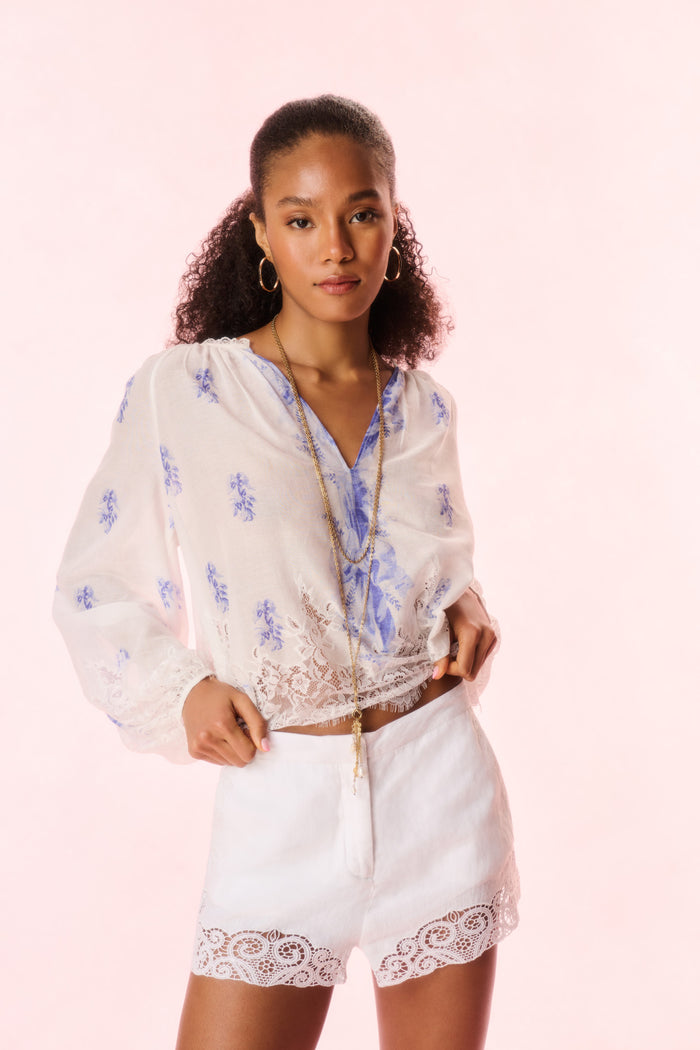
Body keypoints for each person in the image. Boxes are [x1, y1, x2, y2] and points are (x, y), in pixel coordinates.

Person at [54, 95, 519, 1050]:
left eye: (361, 213)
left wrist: (467, 600)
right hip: (279, 799)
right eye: (301, 220)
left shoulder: (426, 408)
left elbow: (426, 566)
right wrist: (180, 691)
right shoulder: (186, 391)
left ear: (394, 224)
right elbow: (95, 585)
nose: (335, 248)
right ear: (261, 233)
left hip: (438, 786)